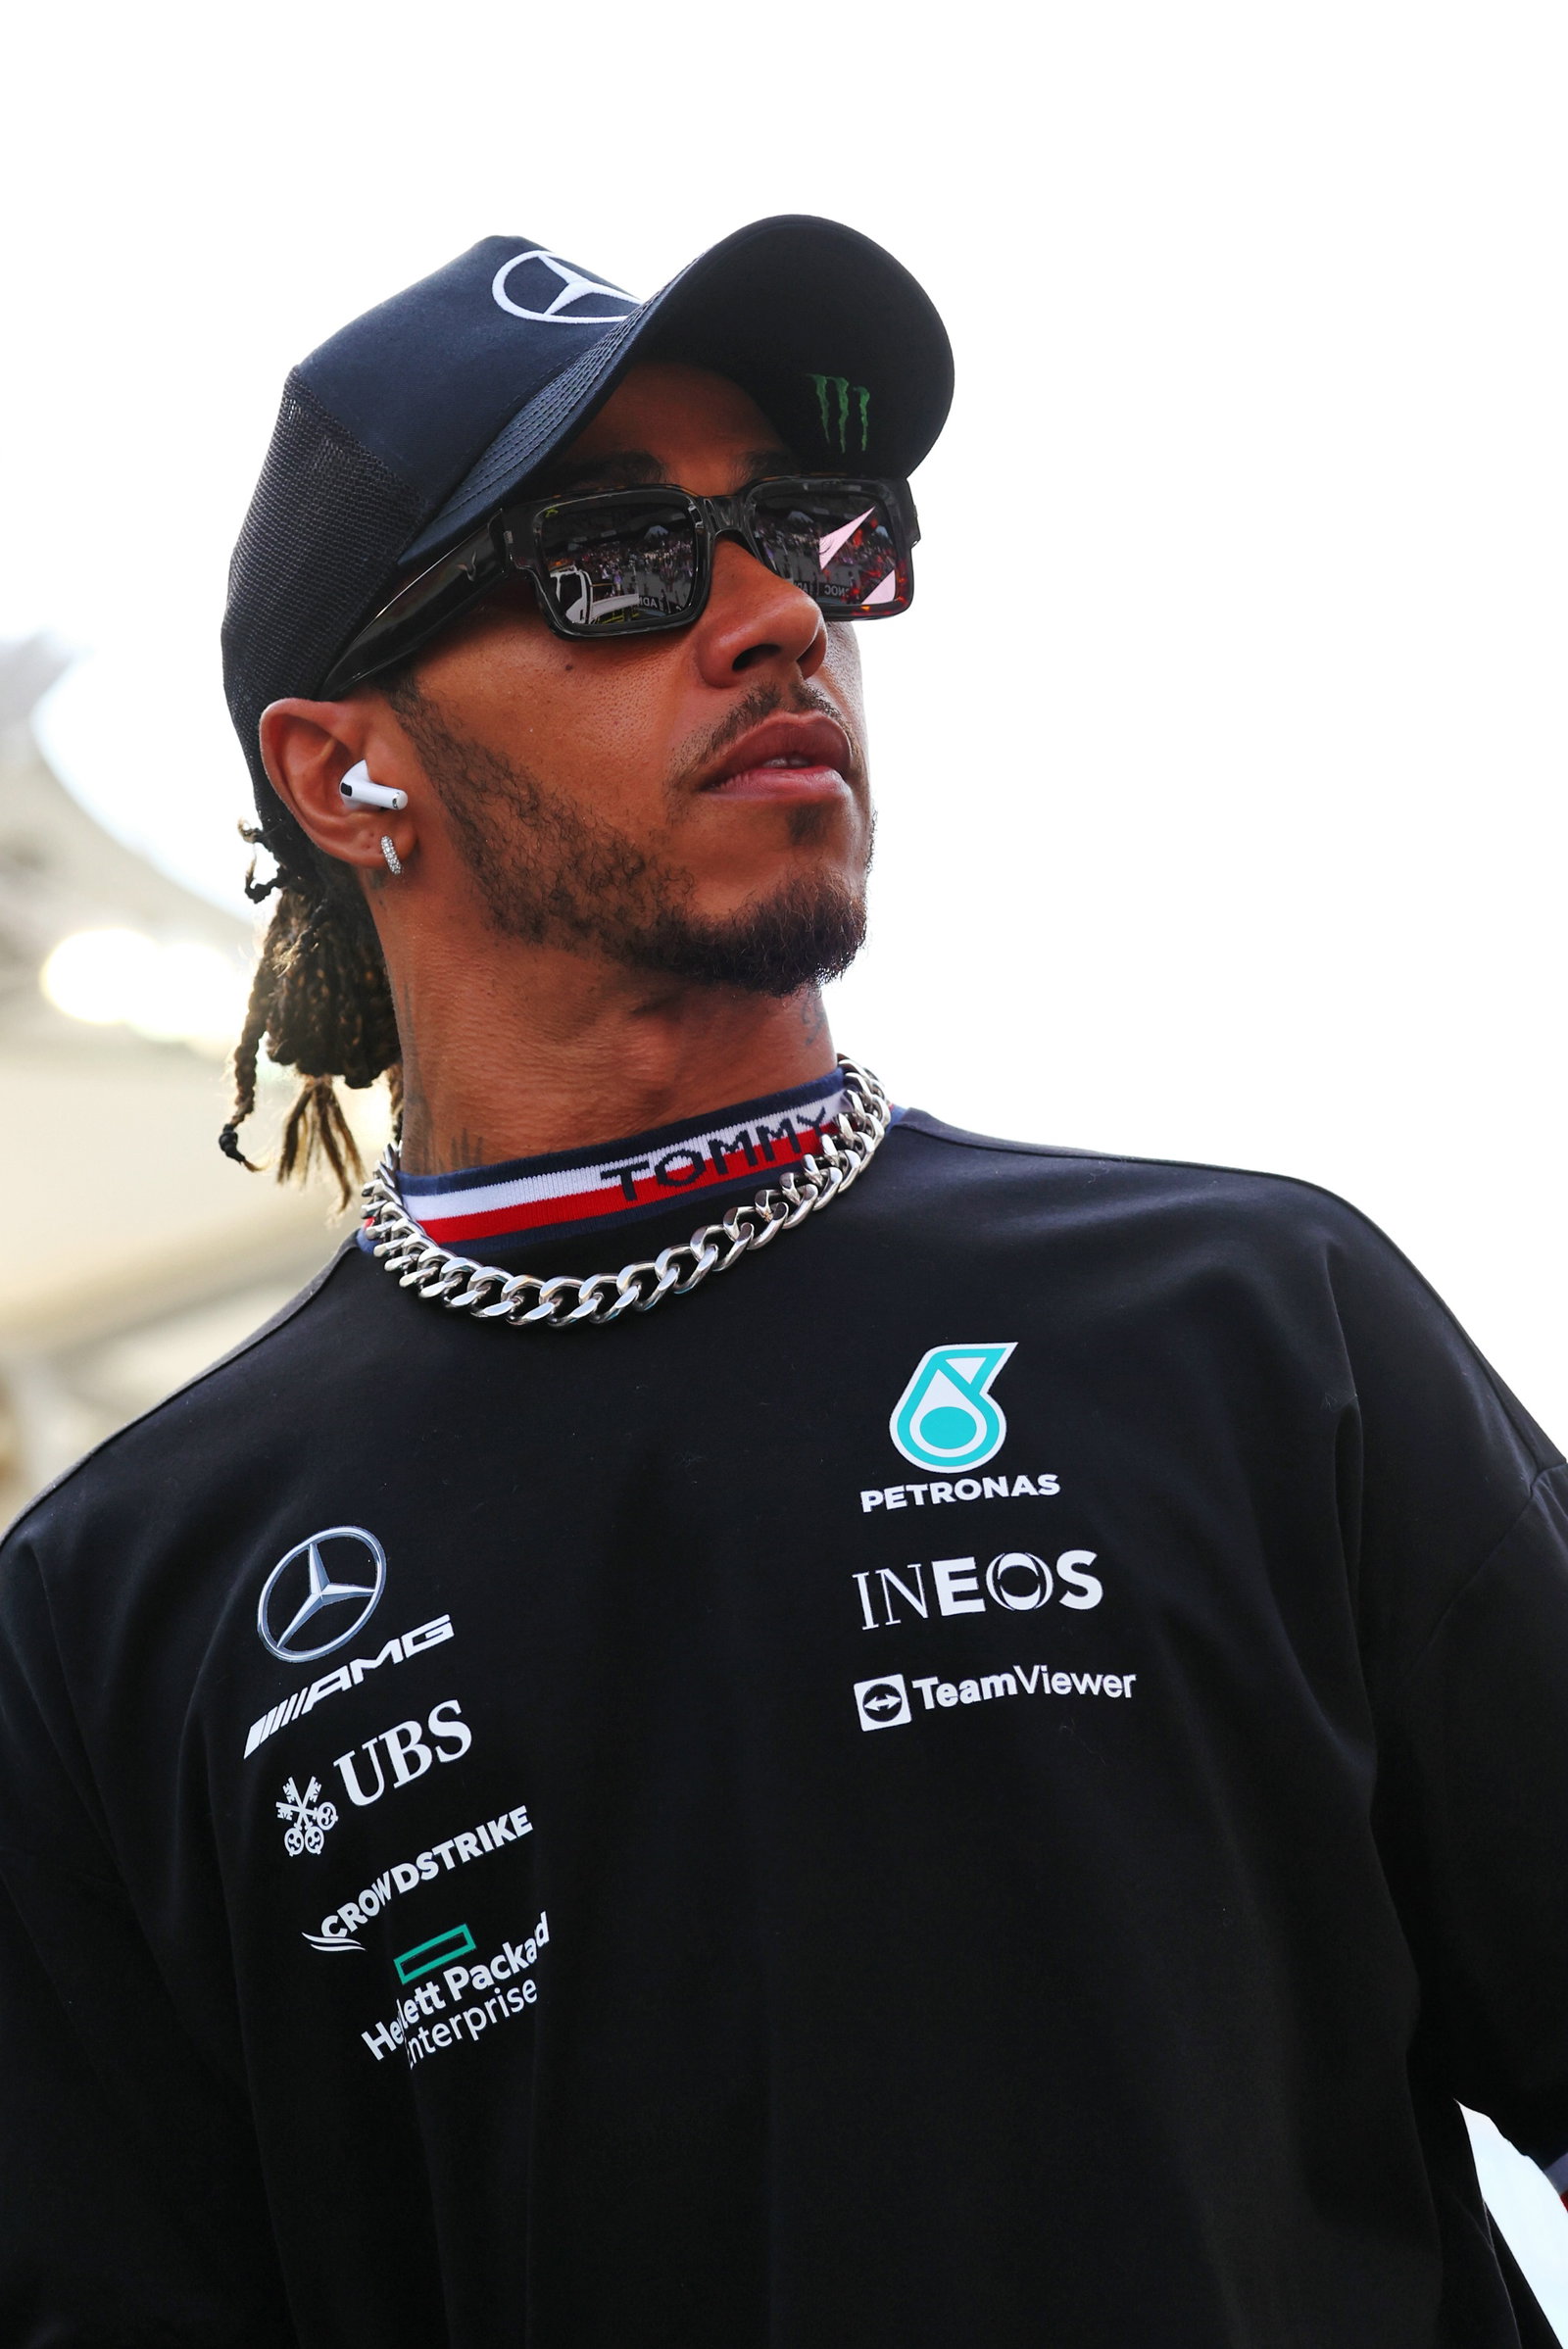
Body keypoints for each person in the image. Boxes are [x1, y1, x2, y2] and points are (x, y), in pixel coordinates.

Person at [0, 217, 1564, 2349]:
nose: (771, 618)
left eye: (810, 536)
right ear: (343, 768)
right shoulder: (112, 1613)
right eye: (615, 557)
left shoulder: (1250, 1320)